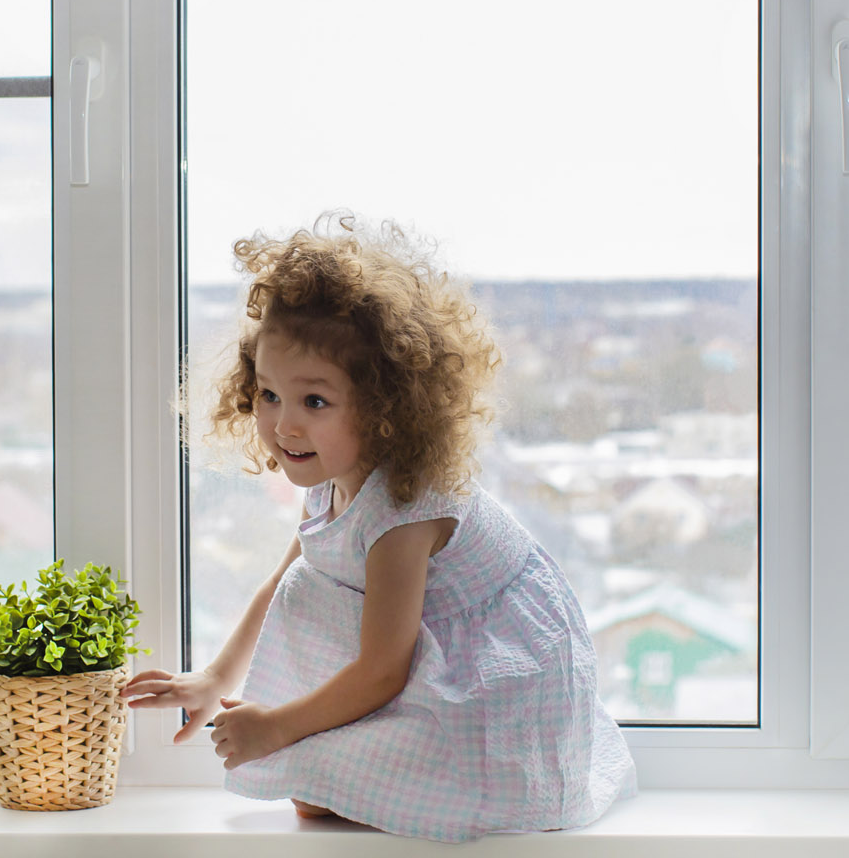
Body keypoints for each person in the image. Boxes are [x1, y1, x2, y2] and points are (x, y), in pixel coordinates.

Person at [122, 214, 636, 843]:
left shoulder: (401, 511)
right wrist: (215, 679)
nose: (284, 426)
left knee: (307, 778)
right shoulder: (332, 480)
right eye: (267, 395)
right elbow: (280, 581)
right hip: (426, 660)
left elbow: (383, 669)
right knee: (309, 764)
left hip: (491, 689)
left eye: (314, 401)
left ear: (385, 406)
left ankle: (440, 779)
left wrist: (277, 727)